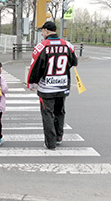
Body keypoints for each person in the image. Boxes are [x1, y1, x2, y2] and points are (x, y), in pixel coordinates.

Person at [27, 21, 78, 150]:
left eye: (42, 31)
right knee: (60, 111)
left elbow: (35, 67)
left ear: (46, 31)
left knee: (47, 113)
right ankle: (59, 137)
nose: (42, 33)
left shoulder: (41, 47)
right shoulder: (68, 45)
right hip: (62, 85)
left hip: (47, 88)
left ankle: (50, 142)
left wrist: (32, 82)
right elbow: (74, 62)